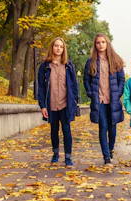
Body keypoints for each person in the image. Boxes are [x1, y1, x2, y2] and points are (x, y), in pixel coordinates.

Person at [83, 33, 125, 166]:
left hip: (112, 99)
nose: (100, 45)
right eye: (98, 43)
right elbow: (86, 80)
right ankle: (106, 156)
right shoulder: (91, 62)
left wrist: (118, 93)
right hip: (99, 100)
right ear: (95, 45)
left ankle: (110, 149)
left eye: (103, 42)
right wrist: (91, 93)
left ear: (107, 43)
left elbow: (121, 80)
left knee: (112, 128)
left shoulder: (116, 60)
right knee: (103, 127)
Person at [38, 37, 79, 168]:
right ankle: (55, 154)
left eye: (61, 46)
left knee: (66, 130)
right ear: (52, 47)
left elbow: (73, 85)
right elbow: (41, 87)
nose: (58, 48)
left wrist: (75, 100)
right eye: (56, 46)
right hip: (51, 104)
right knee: (53, 129)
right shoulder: (44, 66)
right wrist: (42, 106)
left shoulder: (68, 65)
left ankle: (68, 157)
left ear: (63, 49)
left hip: (65, 104)